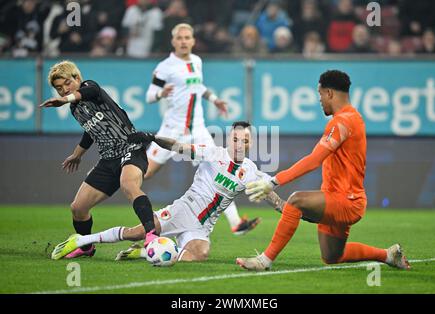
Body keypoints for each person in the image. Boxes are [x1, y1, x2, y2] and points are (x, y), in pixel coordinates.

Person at [236, 70, 411, 271]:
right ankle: (388, 255)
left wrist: (273, 181)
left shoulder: (342, 121)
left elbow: (314, 160)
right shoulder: (352, 118)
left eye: (320, 94)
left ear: (329, 93)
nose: (319, 100)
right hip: (339, 199)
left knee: (296, 200)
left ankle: (264, 261)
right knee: (332, 255)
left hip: (346, 201)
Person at [50, 122, 284, 261]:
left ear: (251, 144)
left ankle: (144, 253)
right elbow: (178, 147)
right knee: (136, 232)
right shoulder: (213, 153)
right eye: (235, 138)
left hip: (203, 227)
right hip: (183, 210)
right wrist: (153, 138)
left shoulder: (251, 171)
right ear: (229, 139)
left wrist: (288, 210)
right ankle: (82, 239)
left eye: (244, 140)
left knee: (200, 255)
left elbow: (270, 194)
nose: (239, 144)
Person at [144, 23, 261, 236]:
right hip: (173, 128)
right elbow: (149, 96)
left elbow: (198, 87)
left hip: (197, 127)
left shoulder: (197, 61)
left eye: (187, 37)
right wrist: (161, 94)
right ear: (173, 41)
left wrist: (214, 99)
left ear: (193, 40)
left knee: (221, 166)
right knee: (146, 172)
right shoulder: (164, 67)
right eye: (179, 38)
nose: (183, 41)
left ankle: (236, 224)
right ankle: (116, 182)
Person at [40, 60, 158, 259]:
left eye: (67, 84)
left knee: (128, 185)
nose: (63, 90)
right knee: (78, 208)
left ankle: (152, 236)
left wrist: (65, 98)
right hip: (108, 160)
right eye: (59, 88)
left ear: (77, 78)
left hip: (131, 148)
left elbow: (88, 93)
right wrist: (77, 154)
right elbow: (90, 131)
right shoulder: (75, 109)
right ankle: (86, 247)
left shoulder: (90, 87)